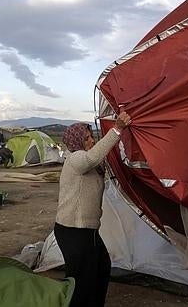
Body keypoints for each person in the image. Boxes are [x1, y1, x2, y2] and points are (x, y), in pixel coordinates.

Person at [54, 111, 131, 307]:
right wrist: (117, 129)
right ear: (76, 141)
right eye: (86, 138)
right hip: (72, 230)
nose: (90, 141)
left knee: (102, 268)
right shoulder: (75, 158)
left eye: (91, 137)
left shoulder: (93, 163)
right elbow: (90, 159)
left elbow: (100, 159)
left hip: (88, 231)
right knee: (80, 283)